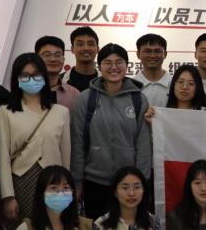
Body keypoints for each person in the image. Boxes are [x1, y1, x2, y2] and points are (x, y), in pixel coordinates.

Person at [71, 43, 152, 219]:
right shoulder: (86, 98)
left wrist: (142, 181)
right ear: (99, 66)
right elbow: (78, 142)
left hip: (129, 184)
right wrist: (77, 182)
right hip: (94, 181)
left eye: (119, 62)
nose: (114, 67)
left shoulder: (139, 99)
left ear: (127, 65)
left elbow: (144, 144)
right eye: (108, 62)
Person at [0, 53, 71, 228]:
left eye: (36, 75)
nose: (31, 80)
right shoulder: (6, 111)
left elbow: (66, 155)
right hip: (20, 181)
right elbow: (2, 156)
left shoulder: (61, 112)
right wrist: (8, 196)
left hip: (54, 183)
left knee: (52, 229)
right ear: (17, 79)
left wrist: (66, 187)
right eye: (25, 75)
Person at [35, 35, 80, 111]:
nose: (53, 59)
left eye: (58, 55)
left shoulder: (74, 94)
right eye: (47, 55)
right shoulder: (25, 91)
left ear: (63, 59)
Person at [136, 33, 171, 109]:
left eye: (157, 51)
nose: (152, 56)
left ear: (165, 54)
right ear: (138, 54)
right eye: (147, 51)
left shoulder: (175, 84)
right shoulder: (131, 85)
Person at [66, 26, 100, 92]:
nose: (86, 48)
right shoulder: (60, 80)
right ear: (72, 49)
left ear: (98, 49)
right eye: (80, 44)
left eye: (90, 44)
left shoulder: (107, 81)